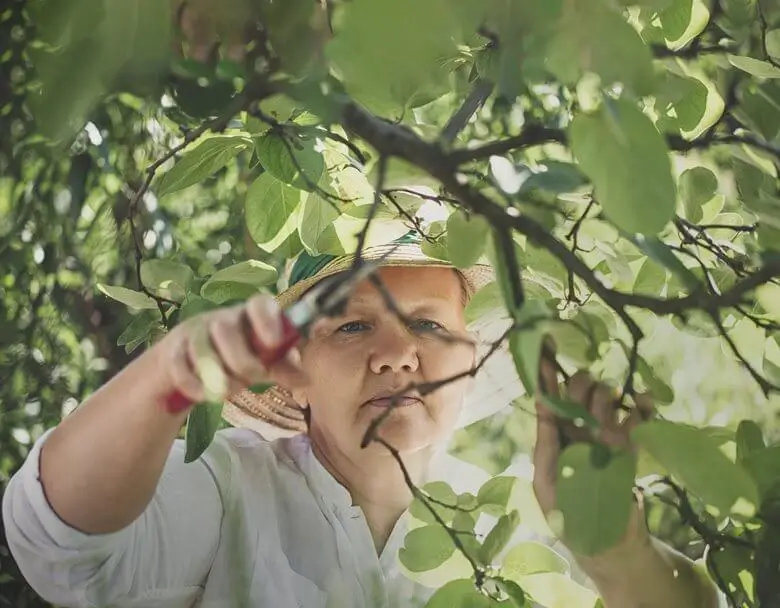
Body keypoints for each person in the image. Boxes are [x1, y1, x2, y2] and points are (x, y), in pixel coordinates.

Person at [2, 233, 720, 607]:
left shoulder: (519, 531)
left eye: (432, 326)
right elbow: (63, 551)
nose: (398, 356)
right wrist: (170, 373)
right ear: (295, 371)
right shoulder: (226, 487)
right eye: (350, 328)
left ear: (471, 358)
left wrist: (617, 555)